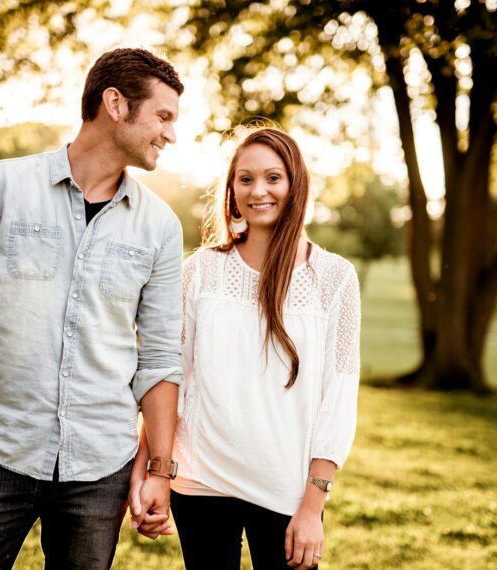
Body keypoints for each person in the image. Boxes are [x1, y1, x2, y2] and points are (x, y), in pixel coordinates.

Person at [0, 47, 185, 570]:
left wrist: (159, 469)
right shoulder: (3, 186)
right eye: (162, 116)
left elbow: (159, 356)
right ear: (116, 104)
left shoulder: (160, 226)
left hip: (100, 470)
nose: (170, 134)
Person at [130, 127, 361, 569]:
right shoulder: (201, 270)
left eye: (273, 178)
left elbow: (340, 395)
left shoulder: (334, 277)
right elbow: (172, 378)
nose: (259, 191)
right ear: (232, 190)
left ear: (295, 185)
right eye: (246, 179)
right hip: (201, 481)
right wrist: (155, 471)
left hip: (286, 490)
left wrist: (313, 505)